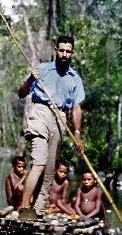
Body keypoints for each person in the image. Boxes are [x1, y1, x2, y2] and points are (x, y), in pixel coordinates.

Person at [17, 35, 85, 215]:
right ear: (55, 50)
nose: (64, 54)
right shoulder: (43, 69)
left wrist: (77, 132)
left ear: (72, 53)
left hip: (60, 118)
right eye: (61, 50)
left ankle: (37, 211)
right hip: (40, 112)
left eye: (68, 51)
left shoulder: (74, 78)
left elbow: (76, 108)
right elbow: (21, 93)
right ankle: (24, 209)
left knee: (49, 172)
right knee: (39, 162)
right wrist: (30, 80)